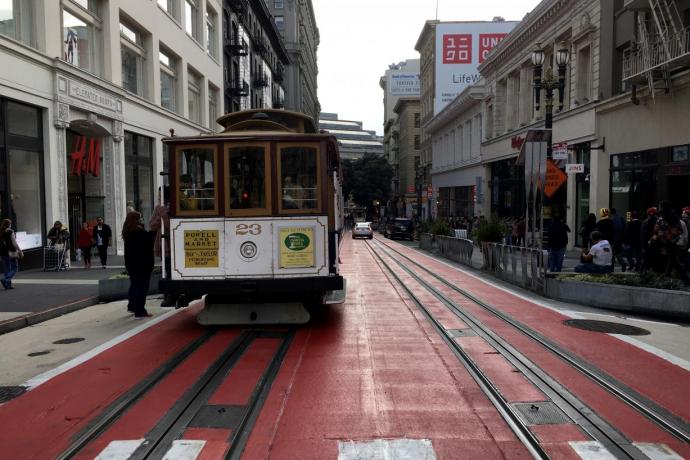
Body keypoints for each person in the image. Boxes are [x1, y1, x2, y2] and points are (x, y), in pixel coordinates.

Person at [122, 211, 155, 318]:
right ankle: (140, 311)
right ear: (136, 220)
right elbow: (149, 241)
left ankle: (132, 306)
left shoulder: (128, 231)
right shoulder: (139, 232)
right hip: (142, 264)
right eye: (140, 218)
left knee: (134, 285)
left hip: (132, 264)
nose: (142, 219)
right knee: (142, 287)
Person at [149, 186, 175, 307]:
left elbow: (171, 225)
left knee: (171, 269)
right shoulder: (158, 208)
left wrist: (164, 216)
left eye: (161, 195)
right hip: (163, 241)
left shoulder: (173, 206)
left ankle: (171, 294)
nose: (159, 197)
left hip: (173, 240)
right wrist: (160, 218)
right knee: (166, 268)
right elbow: (152, 225)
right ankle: (168, 294)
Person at [1, 219, 23, 289]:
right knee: (15, 268)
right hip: (11, 252)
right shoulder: (10, 232)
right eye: (10, 224)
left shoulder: (1, 231)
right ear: (9, 225)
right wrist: (20, 251)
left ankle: (8, 285)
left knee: (7, 268)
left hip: (3, 252)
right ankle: (5, 279)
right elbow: (14, 244)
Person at [640, 207, 658, 271]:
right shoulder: (658, 221)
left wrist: (643, 245)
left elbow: (643, 234)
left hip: (648, 243)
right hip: (654, 243)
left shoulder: (646, 222)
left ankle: (643, 271)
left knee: (646, 259)